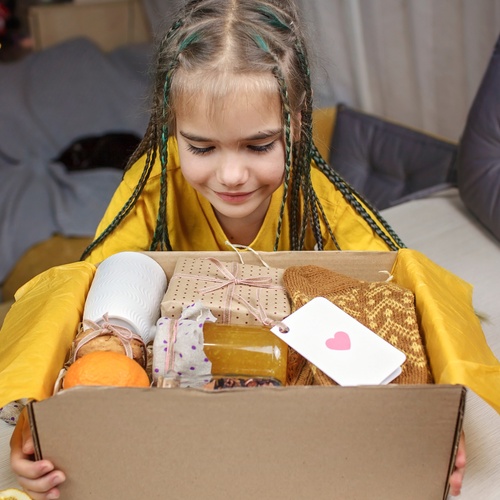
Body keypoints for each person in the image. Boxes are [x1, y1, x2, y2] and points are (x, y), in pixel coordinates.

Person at [8, 0, 466, 498]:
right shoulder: (154, 182)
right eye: (201, 147)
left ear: (296, 123)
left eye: (259, 145)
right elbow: (81, 288)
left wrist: (442, 420)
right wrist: (34, 420)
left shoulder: (315, 193)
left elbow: (408, 285)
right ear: (170, 128)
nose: (230, 175)